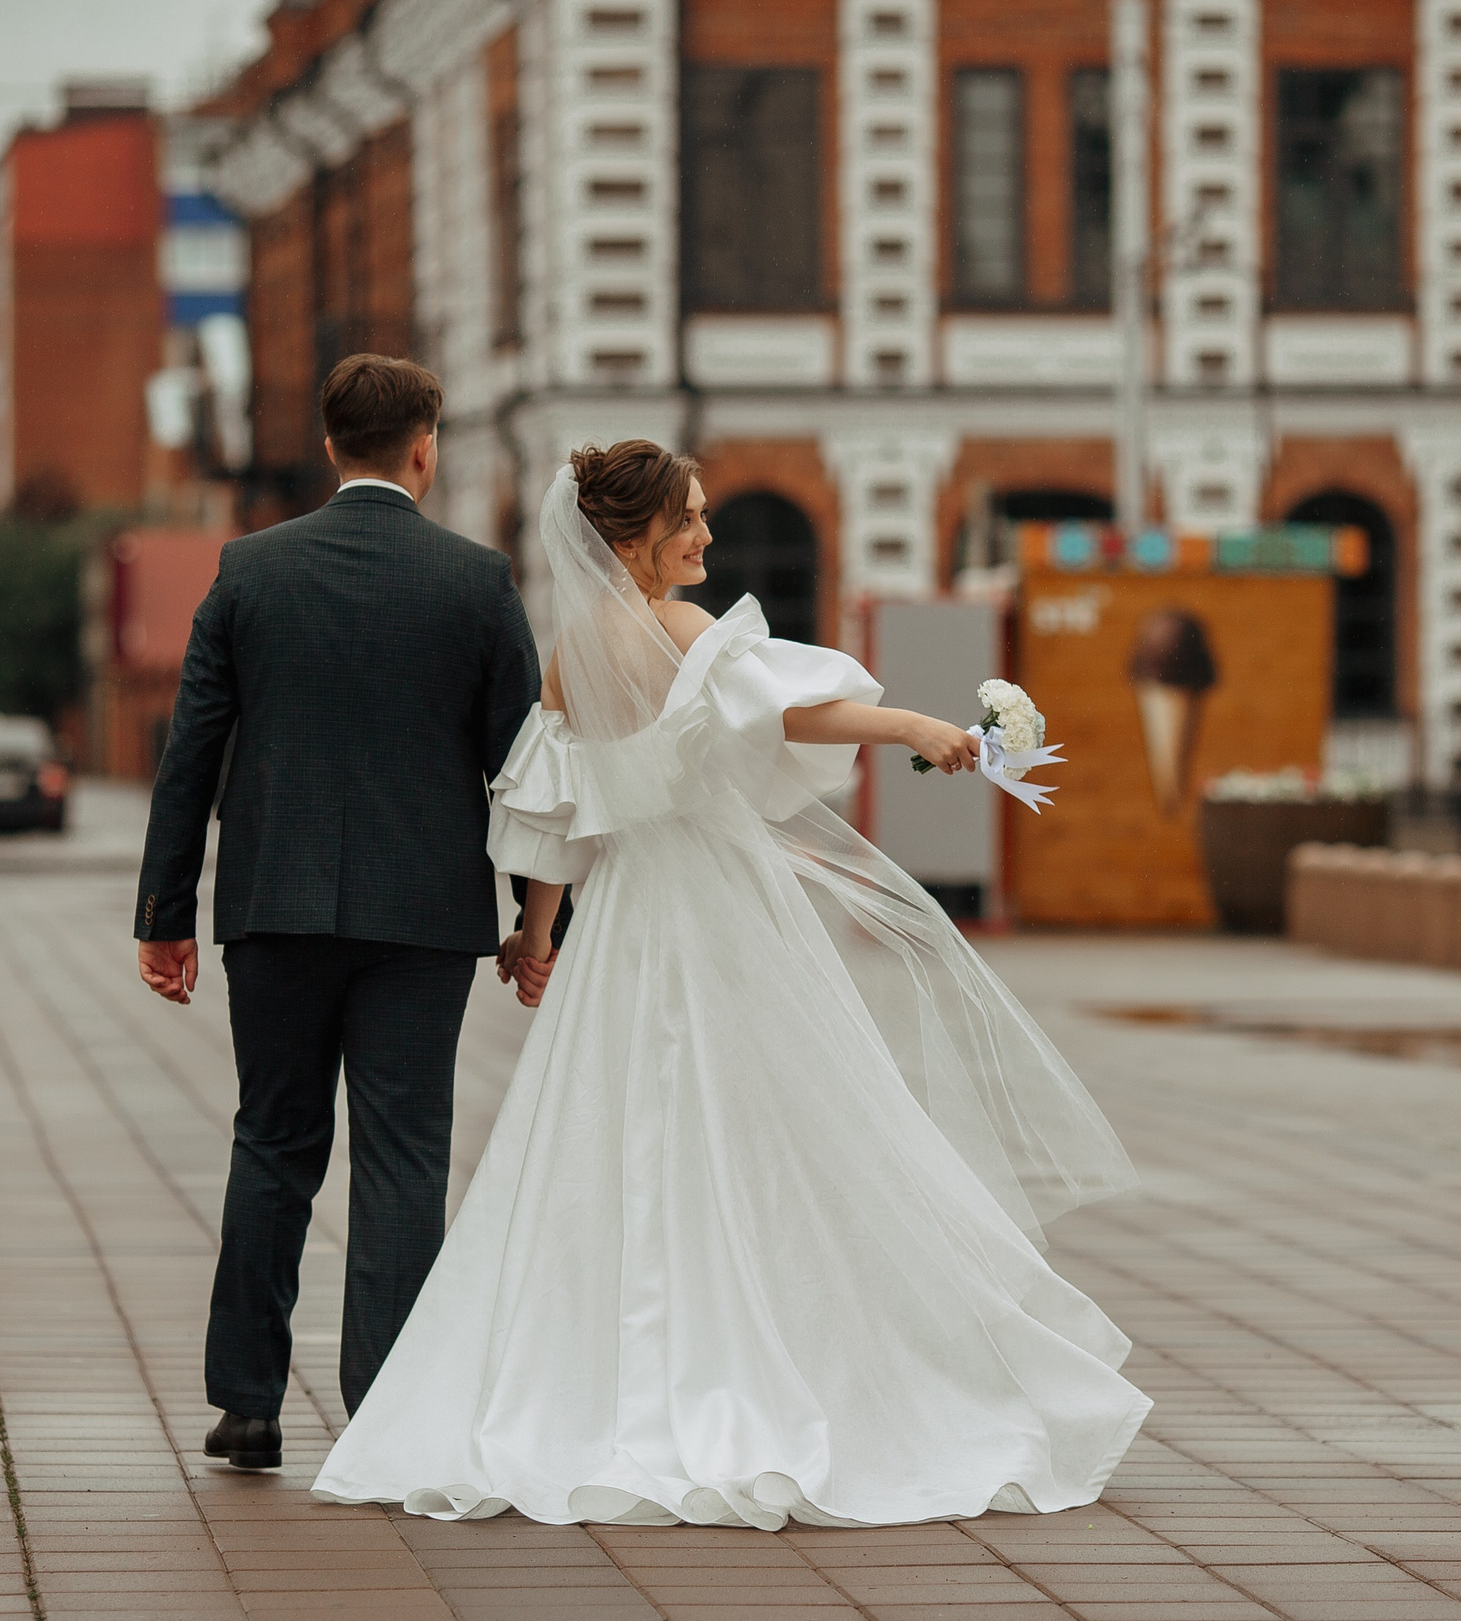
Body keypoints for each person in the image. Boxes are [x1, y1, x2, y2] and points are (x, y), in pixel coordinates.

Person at [312, 442, 1149, 1528]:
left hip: (625, 923)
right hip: (715, 902)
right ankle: (772, 1356)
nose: (705, 538)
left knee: (613, 1137)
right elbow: (784, 714)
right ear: (633, 537)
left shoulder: (570, 654)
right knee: (787, 1122)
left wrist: (536, 934)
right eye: (689, 522)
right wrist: (914, 725)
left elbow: (555, 818)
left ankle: (605, 1375)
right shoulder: (673, 627)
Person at [132, 354, 540, 1471]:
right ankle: (386, 1409)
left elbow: (191, 755)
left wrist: (164, 910)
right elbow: (521, 766)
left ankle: (247, 1402)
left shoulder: (251, 571)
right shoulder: (476, 580)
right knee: (405, 1154)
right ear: (424, 447)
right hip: (423, 918)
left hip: (275, 907)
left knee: (272, 1142)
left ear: (327, 447)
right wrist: (534, 916)